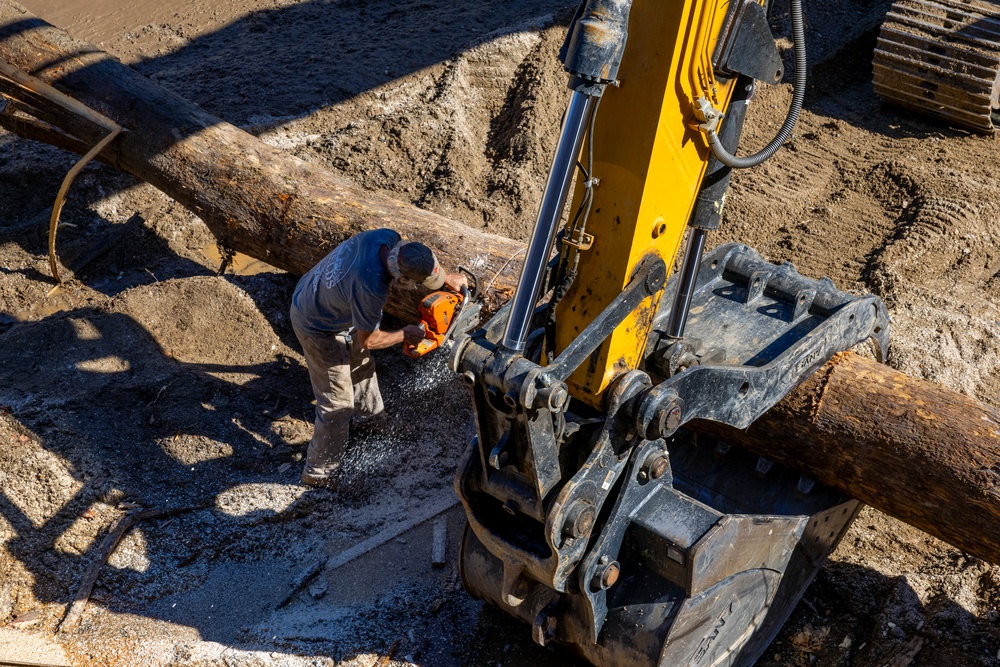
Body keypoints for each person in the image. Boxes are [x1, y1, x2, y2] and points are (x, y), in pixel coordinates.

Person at [289, 228, 467, 489]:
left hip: (322, 291)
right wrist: (405, 333)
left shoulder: (386, 237)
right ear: (403, 279)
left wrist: (443, 278)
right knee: (337, 403)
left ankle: (371, 420)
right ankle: (319, 473)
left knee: (361, 365)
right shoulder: (371, 288)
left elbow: (417, 259)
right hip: (316, 324)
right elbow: (369, 340)